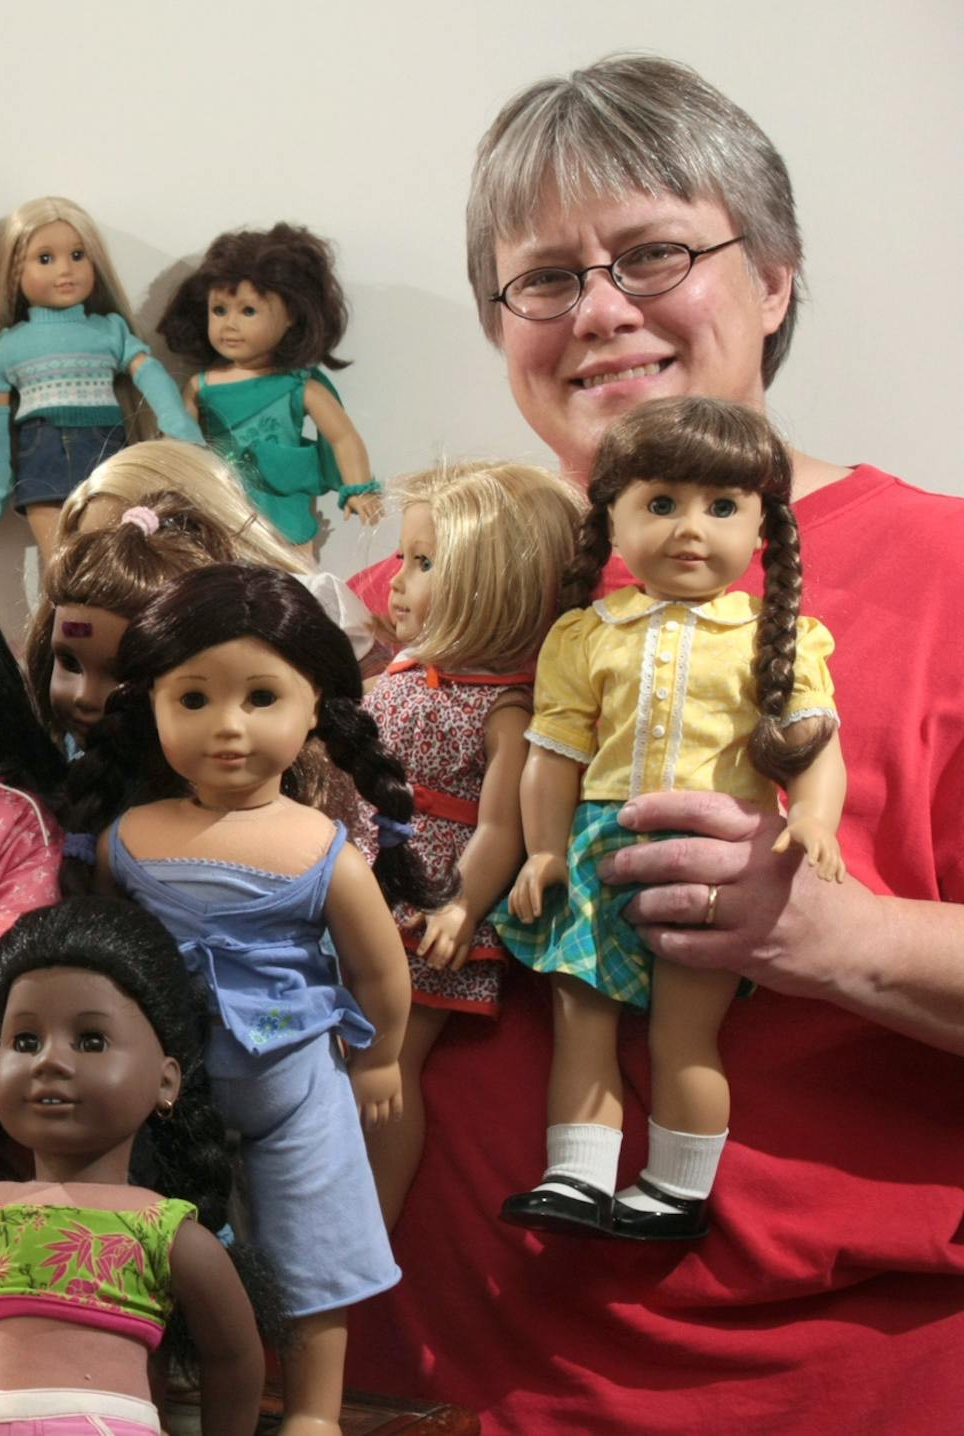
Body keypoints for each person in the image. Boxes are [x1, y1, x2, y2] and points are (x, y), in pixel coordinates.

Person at [345, 53, 964, 1433]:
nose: (602, 311)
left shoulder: (948, 576)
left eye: (653, 254)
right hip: (419, 1386)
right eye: (545, 279)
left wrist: (830, 935)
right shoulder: (414, 606)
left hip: (831, 1391)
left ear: (777, 279)